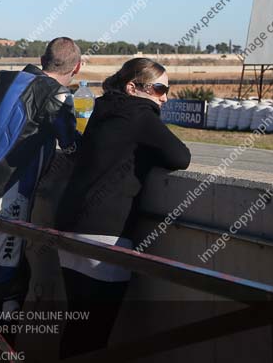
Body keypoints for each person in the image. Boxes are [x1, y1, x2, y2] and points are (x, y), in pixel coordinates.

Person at [54, 58, 190, 358]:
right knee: (95, 336)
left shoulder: (100, 110)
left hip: (68, 226)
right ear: (133, 87)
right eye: (158, 89)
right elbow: (180, 157)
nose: (164, 97)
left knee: (77, 327)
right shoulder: (141, 114)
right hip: (105, 233)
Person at [0, 37, 82, 314]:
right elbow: (71, 146)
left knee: (9, 275)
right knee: (2, 279)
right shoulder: (56, 94)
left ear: (44, 60)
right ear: (77, 68)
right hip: (9, 197)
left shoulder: (13, 79)